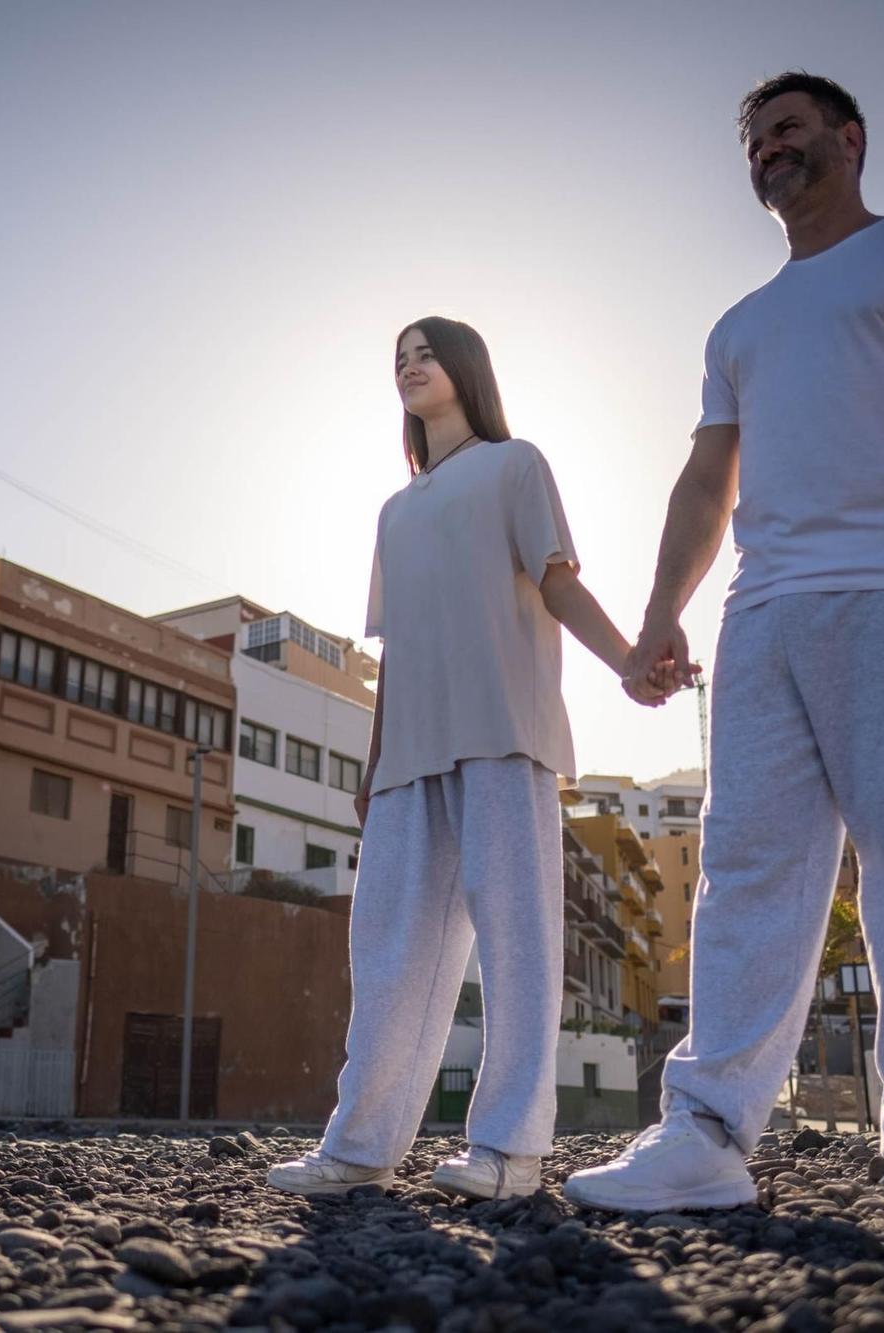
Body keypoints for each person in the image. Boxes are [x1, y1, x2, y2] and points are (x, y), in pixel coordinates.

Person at [565, 72, 884, 1224]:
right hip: (764, 608)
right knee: (744, 868)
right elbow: (704, 479)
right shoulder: (738, 324)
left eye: (785, 128)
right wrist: (656, 613)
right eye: (751, 140)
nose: (766, 150)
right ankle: (703, 1132)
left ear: (849, 138)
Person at [268, 316, 656, 1201]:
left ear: (466, 369)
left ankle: (509, 1150)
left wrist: (630, 659)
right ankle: (362, 1145)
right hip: (408, 755)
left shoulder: (516, 465)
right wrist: (373, 764)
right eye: (398, 357)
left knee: (518, 941)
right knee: (389, 952)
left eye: (425, 352)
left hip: (502, 732)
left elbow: (556, 581)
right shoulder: (394, 510)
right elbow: (396, 649)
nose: (408, 366)